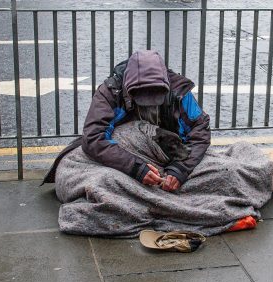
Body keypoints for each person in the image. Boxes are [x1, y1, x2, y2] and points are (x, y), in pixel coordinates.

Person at [43, 50, 210, 191]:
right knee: (101, 183)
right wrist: (135, 167)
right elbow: (94, 137)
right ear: (128, 88)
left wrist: (180, 169)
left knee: (221, 172)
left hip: (168, 153)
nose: (149, 101)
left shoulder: (179, 91)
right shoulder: (109, 93)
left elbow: (200, 129)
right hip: (126, 155)